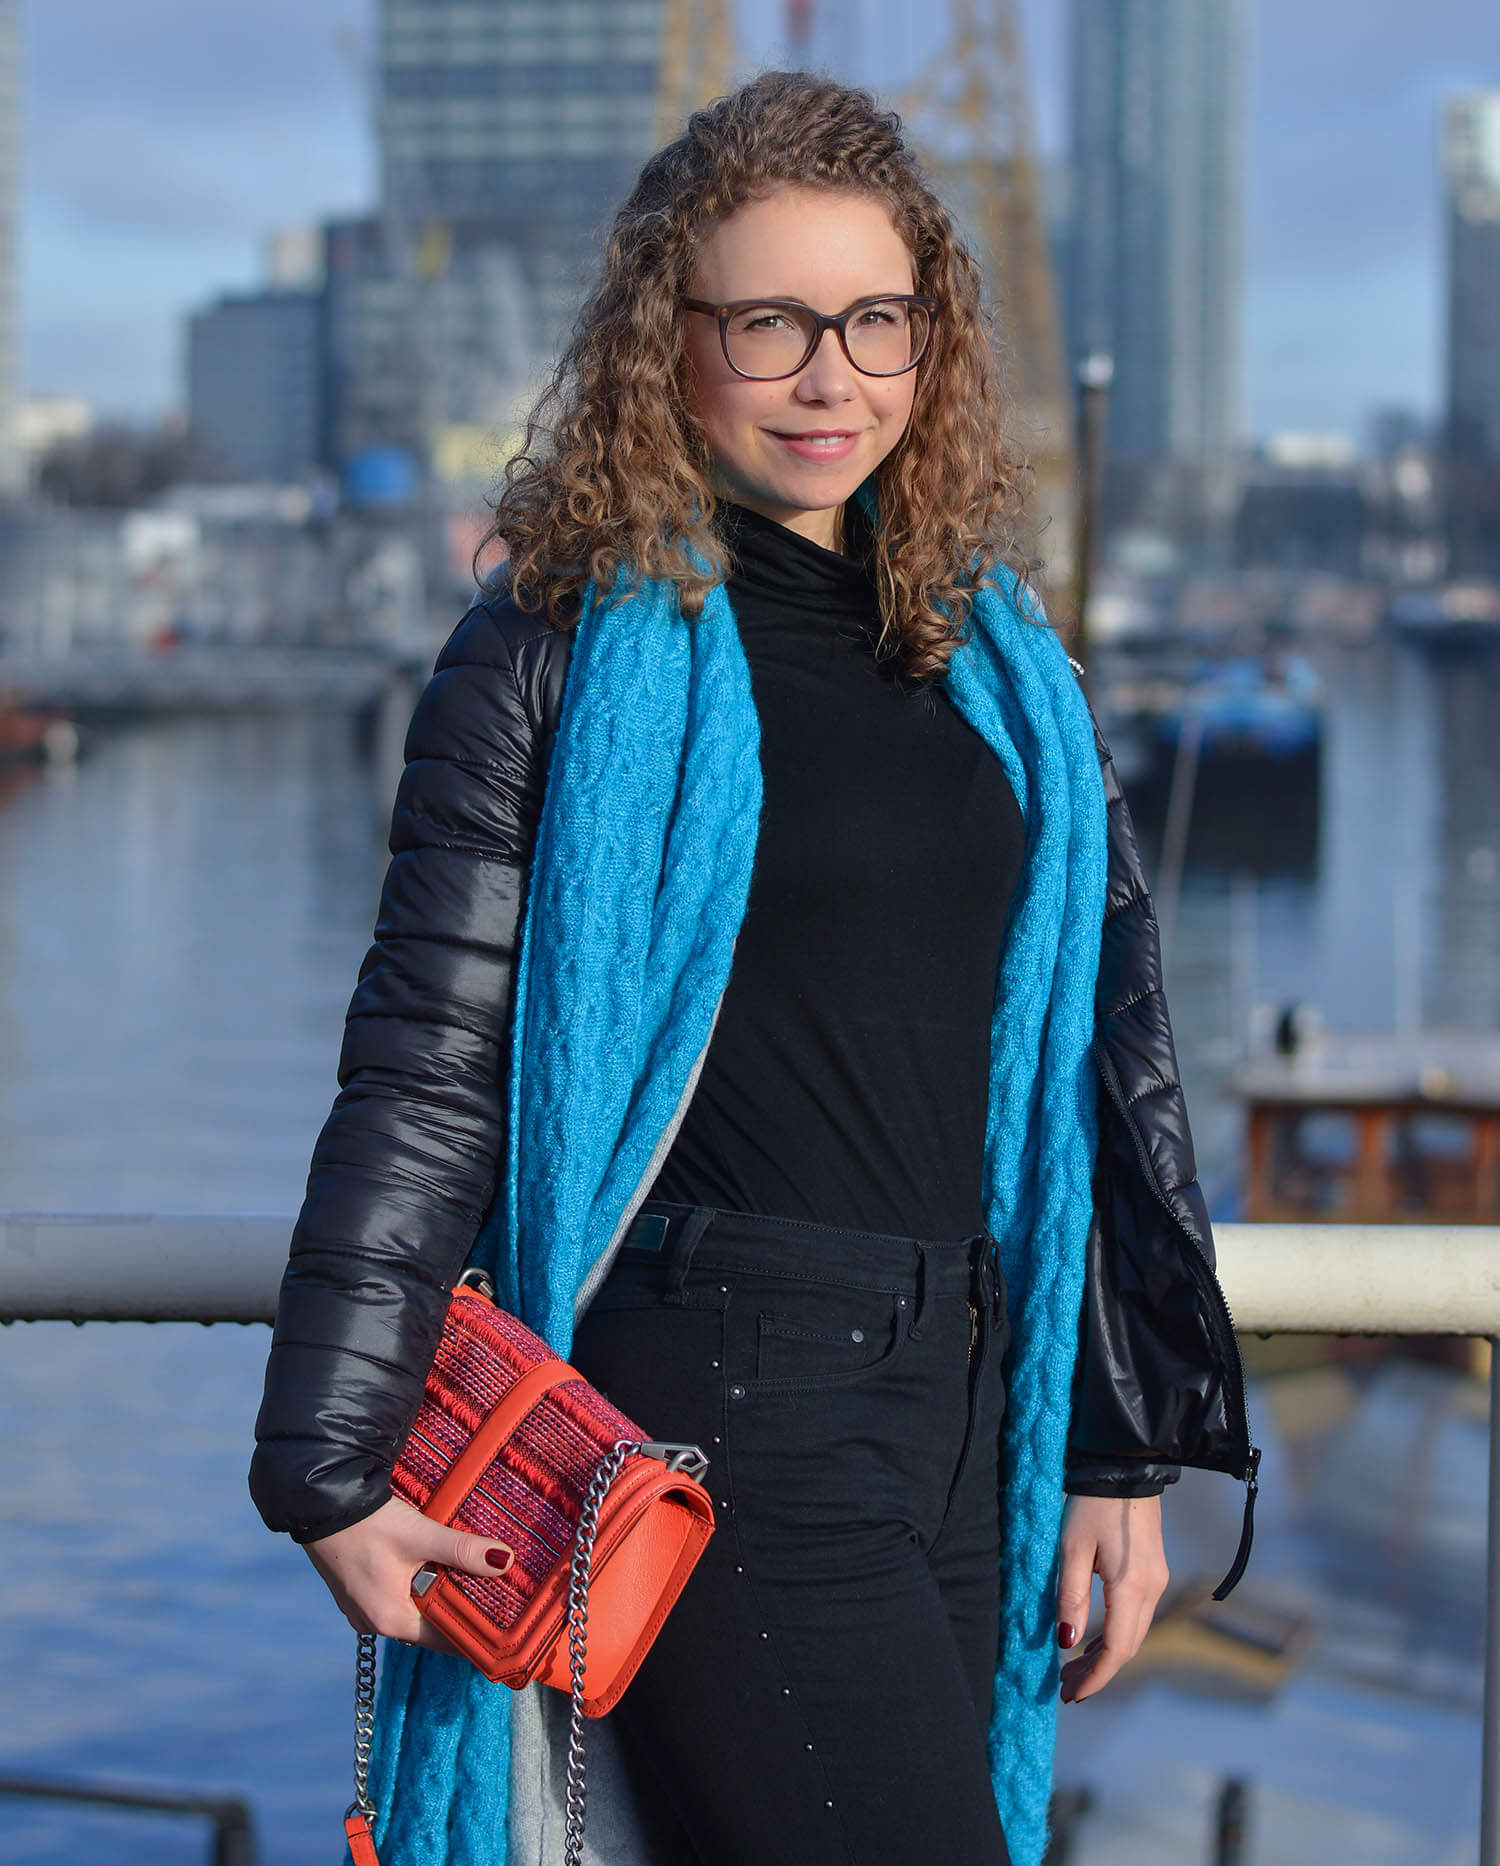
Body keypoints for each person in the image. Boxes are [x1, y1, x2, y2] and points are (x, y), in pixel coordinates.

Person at [250, 69, 1257, 1866]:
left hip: (972, 1389)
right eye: (771, 322)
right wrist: (328, 1457)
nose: (831, 375)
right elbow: (427, 1051)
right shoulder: (551, 647)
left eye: (878, 320)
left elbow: (1096, 1073)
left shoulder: (991, 657)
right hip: (727, 1394)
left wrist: (1112, 1444)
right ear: (670, 341)